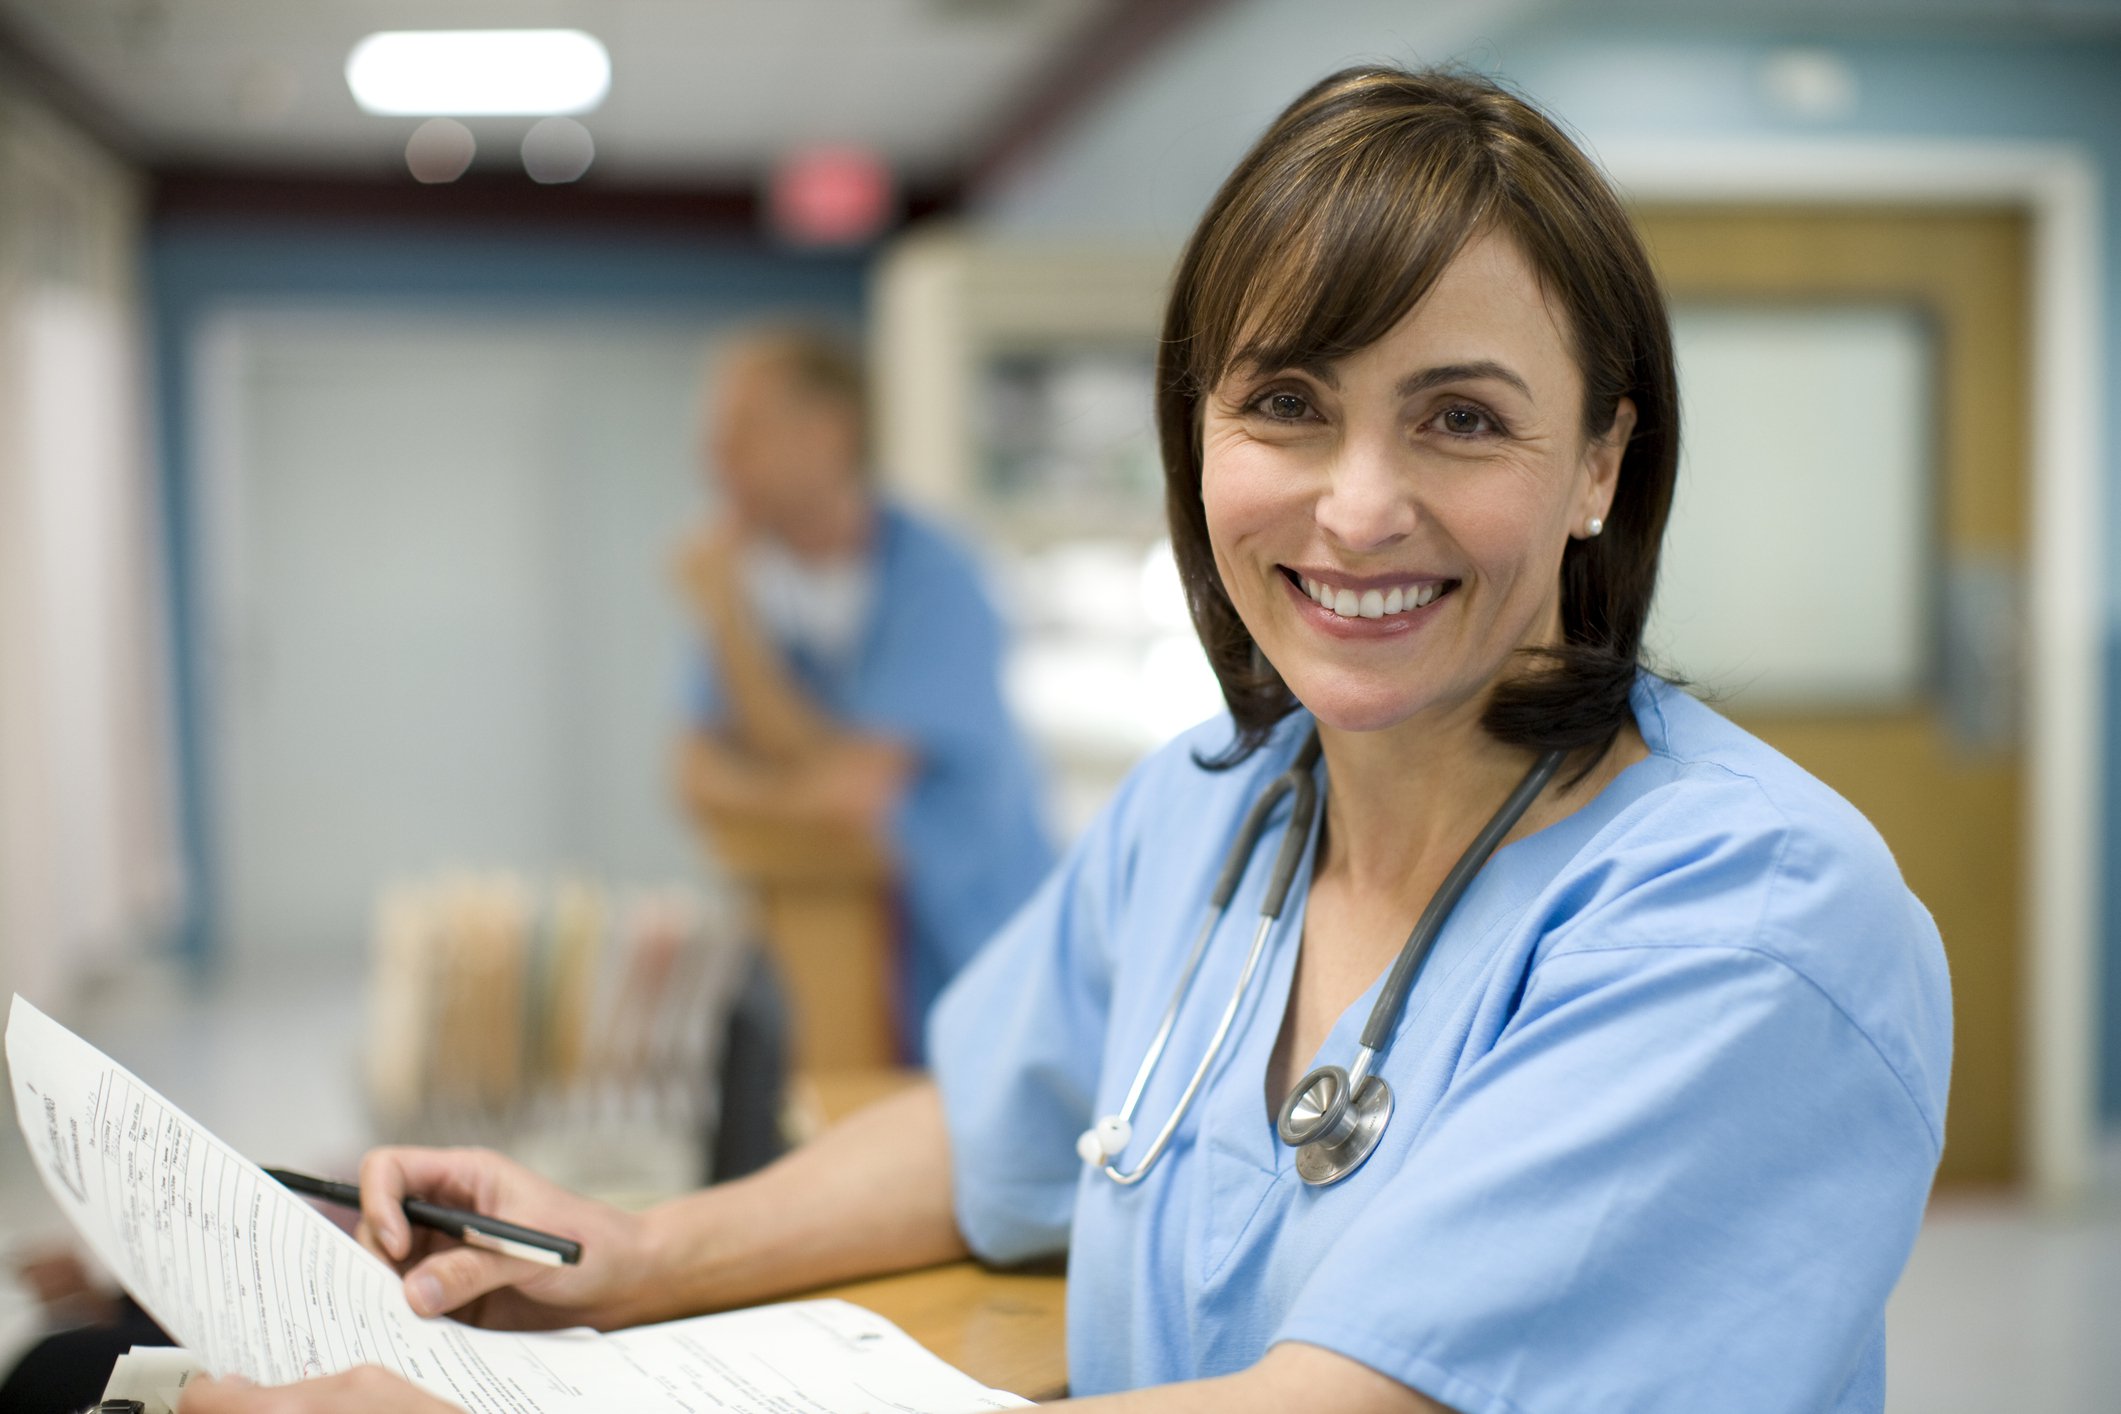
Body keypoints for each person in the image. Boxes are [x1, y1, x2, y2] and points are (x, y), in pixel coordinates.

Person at [181, 67, 1950, 1414]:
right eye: (1285, 402)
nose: (1355, 505)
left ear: (1599, 465)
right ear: (1196, 436)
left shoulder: (1752, 923)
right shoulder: (1211, 807)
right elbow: (999, 1125)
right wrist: (631, 1258)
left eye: (1461, 419)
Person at [672, 326, 1052, 1057]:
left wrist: (727, 623)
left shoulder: (936, 579)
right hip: (836, 964)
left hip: (974, 949)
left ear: (828, 433)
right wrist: (811, 786)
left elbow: (850, 792)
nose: (713, 457)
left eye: (742, 429)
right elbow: (689, 777)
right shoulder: (745, 580)